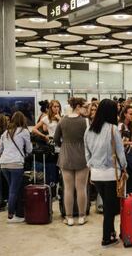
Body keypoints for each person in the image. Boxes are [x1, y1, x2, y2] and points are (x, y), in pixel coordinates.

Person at [84, 99, 127, 247]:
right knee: (110, 208)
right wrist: (124, 167)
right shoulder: (113, 129)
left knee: (109, 205)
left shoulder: (89, 130)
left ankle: (111, 232)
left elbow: (87, 153)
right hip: (110, 173)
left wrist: (90, 166)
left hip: (95, 174)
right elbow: (120, 152)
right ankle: (106, 238)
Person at [54, 97, 89, 226]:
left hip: (66, 156)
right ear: (78, 106)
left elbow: (56, 139)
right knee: (81, 188)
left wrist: (64, 144)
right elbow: (88, 140)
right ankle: (81, 216)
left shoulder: (62, 121)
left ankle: (68, 218)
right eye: (84, 107)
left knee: (68, 188)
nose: (86, 109)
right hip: (82, 156)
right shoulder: (85, 122)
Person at [0, 111, 32, 223]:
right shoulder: (24, 131)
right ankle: (11, 216)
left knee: (12, 189)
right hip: (16, 164)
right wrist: (24, 154)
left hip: (3, 164)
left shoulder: (6, 132)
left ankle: (18, 213)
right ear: (23, 120)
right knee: (14, 190)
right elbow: (29, 149)